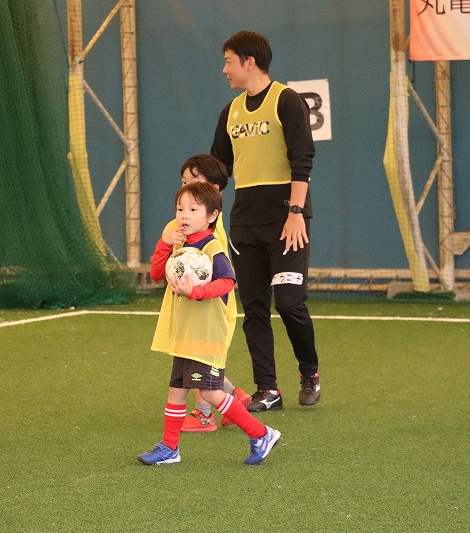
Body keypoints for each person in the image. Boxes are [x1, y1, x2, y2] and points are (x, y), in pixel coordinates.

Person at [210, 30, 321, 411]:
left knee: (289, 303)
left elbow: (302, 159)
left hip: (287, 222)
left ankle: (309, 372)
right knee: (255, 308)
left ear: (250, 62)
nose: (224, 69)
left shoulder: (286, 100)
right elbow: (219, 168)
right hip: (245, 224)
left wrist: (295, 213)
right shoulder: (230, 111)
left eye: (229, 61)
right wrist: (195, 192)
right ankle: (268, 390)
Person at [138, 182, 281, 465]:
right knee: (176, 390)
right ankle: (170, 448)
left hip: (206, 334)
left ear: (212, 215)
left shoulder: (212, 247)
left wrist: (195, 291)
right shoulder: (180, 244)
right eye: (180, 209)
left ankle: (261, 433)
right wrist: (165, 242)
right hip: (185, 333)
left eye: (193, 209)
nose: (184, 215)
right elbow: (156, 274)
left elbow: (227, 282)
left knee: (210, 392)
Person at [167, 155, 251, 432]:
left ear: (214, 191)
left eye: (195, 181)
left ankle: (206, 415)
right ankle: (234, 395)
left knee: (201, 366)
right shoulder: (186, 227)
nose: (187, 188)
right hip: (194, 304)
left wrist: (196, 290)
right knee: (196, 365)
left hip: (212, 306)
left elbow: (224, 279)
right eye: (183, 182)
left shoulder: (211, 235)